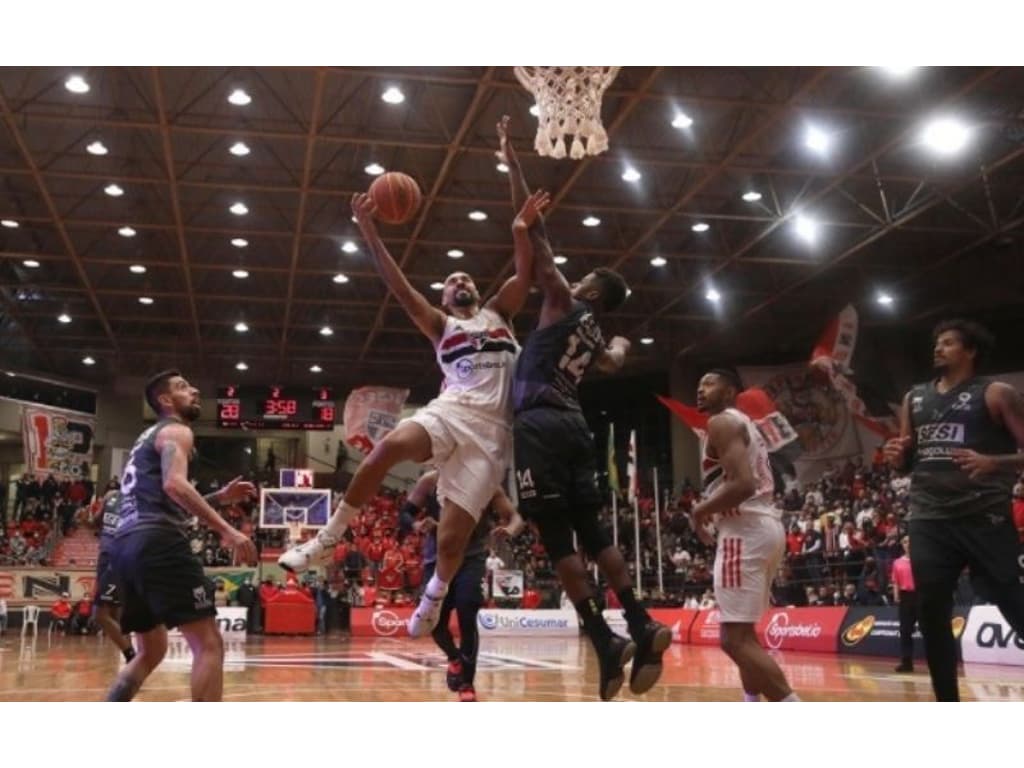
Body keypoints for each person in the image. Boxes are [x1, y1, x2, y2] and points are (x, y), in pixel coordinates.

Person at [279, 189, 549, 640]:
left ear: (478, 291)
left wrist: (521, 229)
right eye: (451, 280)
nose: (460, 280)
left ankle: (435, 593)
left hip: (492, 434)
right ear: (444, 299)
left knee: (451, 541)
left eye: (466, 276)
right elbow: (398, 286)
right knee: (387, 448)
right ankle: (326, 539)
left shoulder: (499, 312)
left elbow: (526, 270)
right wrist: (367, 230)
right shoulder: (442, 326)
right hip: (450, 411)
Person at [498, 115, 670, 701]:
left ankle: (602, 636)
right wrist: (621, 341)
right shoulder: (598, 337)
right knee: (597, 531)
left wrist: (513, 166)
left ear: (591, 289)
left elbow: (535, 236)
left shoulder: (564, 301)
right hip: (576, 424)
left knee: (558, 542)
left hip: (541, 424)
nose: (578, 274)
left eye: (587, 275)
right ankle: (641, 621)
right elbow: (616, 361)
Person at [884, 319, 1024, 701]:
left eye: (948, 343)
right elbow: (907, 460)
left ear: (971, 351)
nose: (938, 348)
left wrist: (995, 462)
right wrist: (897, 457)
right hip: (929, 517)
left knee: (1011, 598)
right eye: (936, 343)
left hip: (984, 516)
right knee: (931, 612)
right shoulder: (914, 399)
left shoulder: (996, 394)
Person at [104, 370, 257, 702]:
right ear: (165, 400)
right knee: (209, 644)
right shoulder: (177, 430)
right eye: (183, 387)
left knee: (151, 650)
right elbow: (174, 485)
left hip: (125, 545)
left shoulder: (146, 438)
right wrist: (227, 530)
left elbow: (163, 497)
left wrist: (218, 498)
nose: (196, 389)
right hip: (157, 541)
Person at [692, 368, 799, 702]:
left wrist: (700, 511)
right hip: (763, 526)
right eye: (699, 383)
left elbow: (743, 485)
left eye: (709, 383)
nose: (700, 389)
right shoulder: (741, 423)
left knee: (733, 640)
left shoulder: (722, 422)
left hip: (744, 530)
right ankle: (751, 701)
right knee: (744, 634)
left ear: (730, 392)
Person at [399, 470, 523, 701]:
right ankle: (454, 658)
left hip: (472, 558)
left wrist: (510, 530)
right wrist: (417, 525)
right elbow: (405, 515)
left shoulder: (489, 484)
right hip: (437, 559)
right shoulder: (430, 481)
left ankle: (467, 683)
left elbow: (514, 518)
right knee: (433, 622)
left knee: (468, 612)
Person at [91, 486, 136, 663]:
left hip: (117, 558)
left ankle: (131, 656)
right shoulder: (111, 495)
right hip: (105, 556)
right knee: (117, 615)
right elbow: (96, 521)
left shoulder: (141, 501)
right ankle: (133, 662)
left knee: (100, 615)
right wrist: (86, 518)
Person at [891, 535, 918, 673]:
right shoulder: (897, 563)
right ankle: (907, 663)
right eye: (905, 542)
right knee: (905, 630)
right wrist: (896, 595)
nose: (908, 544)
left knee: (929, 629)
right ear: (902, 545)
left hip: (920, 595)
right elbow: (896, 581)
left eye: (910, 541)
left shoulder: (920, 560)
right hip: (906, 596)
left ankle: (936, 662)